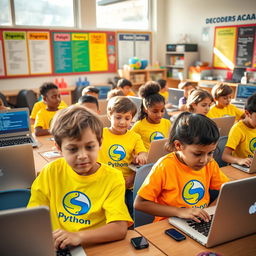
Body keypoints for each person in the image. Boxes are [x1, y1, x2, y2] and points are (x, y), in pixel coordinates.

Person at [28, 105, 132, 250]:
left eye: (90, 147)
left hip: (95, 247)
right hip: (58, 246)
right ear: (59, 148)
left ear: (100, 143)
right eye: (72, 149)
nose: (82, 156)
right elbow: (34, 216)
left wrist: (78, 236)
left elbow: (119, 228)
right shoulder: (50, 172)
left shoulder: (113, 177)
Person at [134, 112, 229, 223]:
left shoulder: (210, 164)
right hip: (169, 224)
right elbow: (140, 204)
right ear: (178, 145)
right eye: (197, 154)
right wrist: (180, 212)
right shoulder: (165, 166)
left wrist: (208, 211)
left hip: (198, 221)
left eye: (210, 153)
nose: (204, 160)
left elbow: (227, 191)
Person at [97, 96, 147, 217]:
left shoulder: (135, 137)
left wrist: (141, 157)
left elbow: (143, 153)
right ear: (109, 116)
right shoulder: (100, 133)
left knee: (131, 209)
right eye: (118, 117)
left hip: (126, 183)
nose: (122, 122)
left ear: (132, 119)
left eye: (127, 118)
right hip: (103, 183)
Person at [131, 81, 171, 151]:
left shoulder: (167, 123)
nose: (159, 115)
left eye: (162, 110)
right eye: (155, 111)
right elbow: (129, 142)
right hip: (147, 161)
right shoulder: (139, 125)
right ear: (145, 109)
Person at [222, 93, 256, 167]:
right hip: (242, 167)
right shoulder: (238, 129)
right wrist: (239, 160)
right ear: (247, 113)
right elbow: (225, 156)